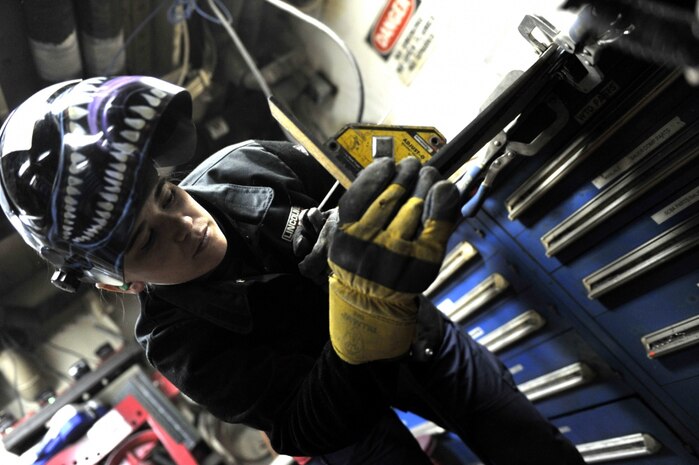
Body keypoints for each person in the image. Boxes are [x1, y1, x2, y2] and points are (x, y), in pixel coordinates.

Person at [0, 76, 585, 465]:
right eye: (147, 238)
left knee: (535, 450)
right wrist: (360, 329)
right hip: (344, 421)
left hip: (420, 347)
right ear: (115, 281)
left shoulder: (253, 165)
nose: (182, 223)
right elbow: (304, 427)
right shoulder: (177, 343)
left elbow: (362, 192)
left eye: (167, 193)